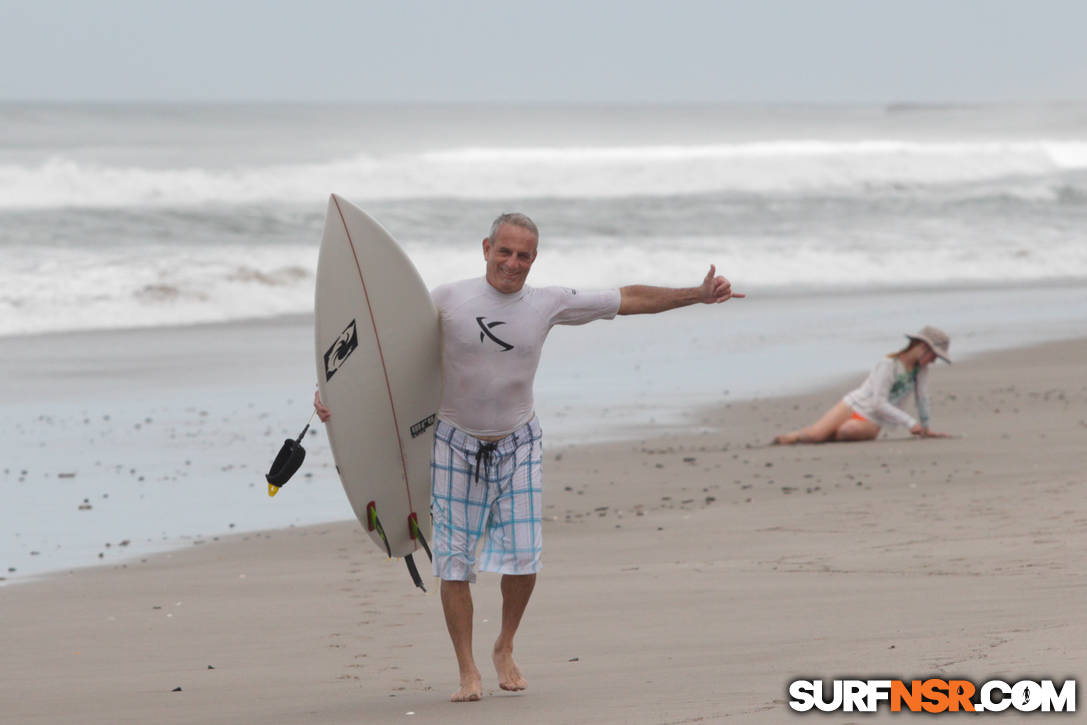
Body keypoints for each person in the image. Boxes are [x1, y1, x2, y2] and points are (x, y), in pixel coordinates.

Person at [314, 212, 743, 702]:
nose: (512, 263)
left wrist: (697, 294)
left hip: (518, 442)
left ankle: (505, 645)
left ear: (533, 259)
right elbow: (383, 357)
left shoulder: (547, 303)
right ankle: (467, 671)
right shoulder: (446, 301)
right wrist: (334, 398)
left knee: (523, 559)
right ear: (486, 248)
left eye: (523, 255)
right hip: (455, 444)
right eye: (505, 251)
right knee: (454, 564)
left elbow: (628, 299)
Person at [772, 326, 953, 445]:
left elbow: (922, 397)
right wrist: (909, 423)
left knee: (846, 432)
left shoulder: (920, 370)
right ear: (922, 347)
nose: (933, 361)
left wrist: (926, 426)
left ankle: (831, 434)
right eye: (934, 356)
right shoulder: (889, 365)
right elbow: (878, 402)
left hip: (873, 419)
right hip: (854, 404)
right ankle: (786, 438)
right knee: (813, 437)